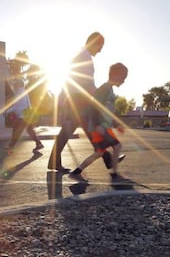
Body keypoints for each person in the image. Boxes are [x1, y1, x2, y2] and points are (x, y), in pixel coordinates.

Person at [47, 32, 124, 172]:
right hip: (78, 100)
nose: (100, 50)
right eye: (100, 46)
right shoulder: (84, 57)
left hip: (76, 99)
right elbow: (85, 82)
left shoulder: (82, 55)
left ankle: (107, 158)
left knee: (70, 132)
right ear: (93, 43)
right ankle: (107, 158)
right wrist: (98, 95)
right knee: (86, 129)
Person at [68, 63, 128, 182]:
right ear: (116, 76)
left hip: (104, 126)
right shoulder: (104, 89)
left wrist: (116, 124)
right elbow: (93, 106)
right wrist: (96, 125)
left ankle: (77, 172)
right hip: (100, 127)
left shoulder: (109, 90)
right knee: (116, 146)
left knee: (99, 153)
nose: (124, 81)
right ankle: (114, 174)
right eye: (123, 78)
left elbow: (107, 112)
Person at [6, 59, 44, 154]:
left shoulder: (19, 93)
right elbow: (26, 104)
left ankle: (11, 147)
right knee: (29, 130)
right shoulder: (23, 92)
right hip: (26, 114)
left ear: (18, 85)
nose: (14, 86)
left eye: (15, 85)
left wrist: (7, 111)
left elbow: (17, 106)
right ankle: (39, 144)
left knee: (16, 131)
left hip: (22, 116)